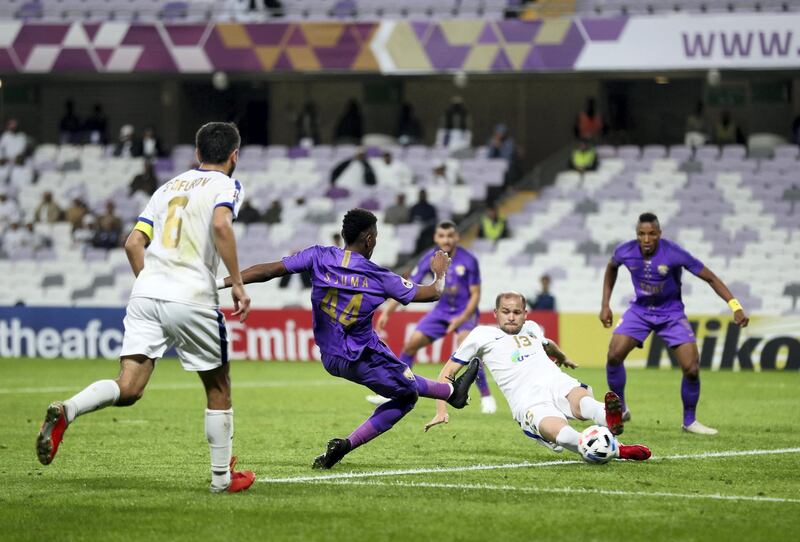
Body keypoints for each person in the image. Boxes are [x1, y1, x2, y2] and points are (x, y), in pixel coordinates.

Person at [36, 122, 256, 493]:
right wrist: (236, 282)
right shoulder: (226, 185)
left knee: (130, 387)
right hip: (191, 295)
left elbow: (133, 243)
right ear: (234, 156)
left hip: (146, 292)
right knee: (218, 386)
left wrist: (152, 284)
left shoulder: (167, 187)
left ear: (198, 154)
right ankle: (222, 480)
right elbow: (221, 224)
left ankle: (69, 409)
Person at [217, 208, 480, 469]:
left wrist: (221, 283)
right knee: (407, 396)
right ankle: (450, 392)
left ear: (344, 234)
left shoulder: (318, 255)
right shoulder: (378, 276)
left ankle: (344, 445)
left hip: (330, 357)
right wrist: (440, 273)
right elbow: (433, 293)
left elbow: (269, 270)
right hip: (361, 356)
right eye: (375, 237)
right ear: (369, 240)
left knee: (404, 387)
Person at [426, 292, 651, 462]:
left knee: (582, 400)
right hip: (528, 400)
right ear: (496, 313)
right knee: (562, 436)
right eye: (506, 312)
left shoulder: (532, 327)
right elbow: (447, 372)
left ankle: (610, 418)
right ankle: (618, 449)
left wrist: (564, 358)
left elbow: (547, 345)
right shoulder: (481, 335)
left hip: (555, 381)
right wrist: (441, 410)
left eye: (517, 312)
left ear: (525, 314)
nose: (511, 317)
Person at [599, 212, 749, 435]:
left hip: (671, 314)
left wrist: (735, 306)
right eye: (642, 234)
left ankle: (689, 421)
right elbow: (611, 268)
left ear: (659, 234)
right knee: (614, 355)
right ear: (637, 235)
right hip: (640, 311)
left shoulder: (674, 253)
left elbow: (710, 277)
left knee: (691, 368)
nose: (646, 239)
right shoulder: (625, 251)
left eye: (651, 234)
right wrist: (605, 305)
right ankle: (620, 408)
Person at [374, 220, 497, 413]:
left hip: (465, 312)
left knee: (469, 348)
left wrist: (461, 318)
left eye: (450, 236)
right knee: (411, 344)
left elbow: (475, 295)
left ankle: (487, 396)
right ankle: (395, 389)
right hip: (441, 312)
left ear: (456, 237)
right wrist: (388, 310)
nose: (446, 240)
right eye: (442, 236)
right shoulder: (429, 258)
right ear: (436, 237)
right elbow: (408, 285)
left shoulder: (469, 260)